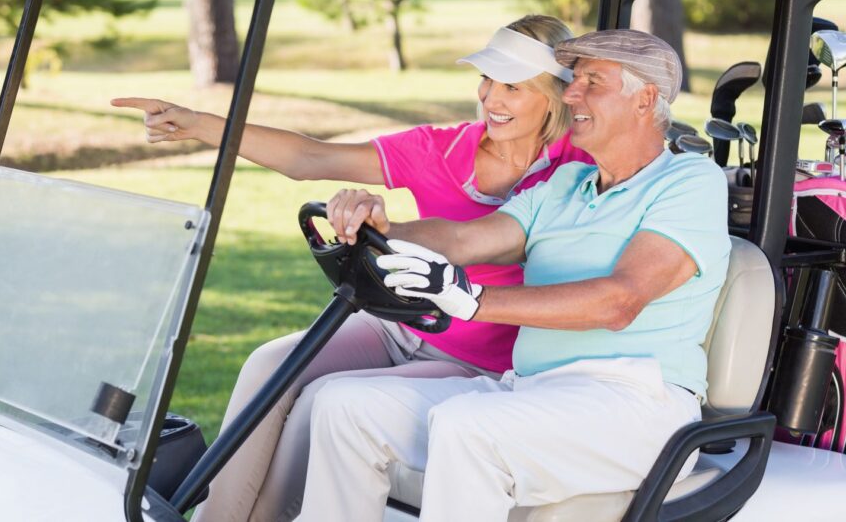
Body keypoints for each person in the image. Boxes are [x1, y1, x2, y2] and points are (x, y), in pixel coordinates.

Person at [112, 15, 592, 522]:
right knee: (270, 365)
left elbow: (479, 242)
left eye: (512, 87)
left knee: (321, 403)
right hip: (396, 323)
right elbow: (308, 157)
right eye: (487, 80)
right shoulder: (444, 148)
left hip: (476, 356)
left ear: (556, 95)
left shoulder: (575, 169)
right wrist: (199, 124)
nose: (491, 98)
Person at [297, 30, 731, 522]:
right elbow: (464, 240)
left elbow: (620, 301)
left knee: (468, 427)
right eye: (573, 81)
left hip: (636, 403)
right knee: (343, 405)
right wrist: (383, 228)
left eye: (591, 81)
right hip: (531, 389)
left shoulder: (689, 182)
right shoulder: (566, 184)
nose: (571, 94)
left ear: (645, 98)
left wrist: (473, 299)